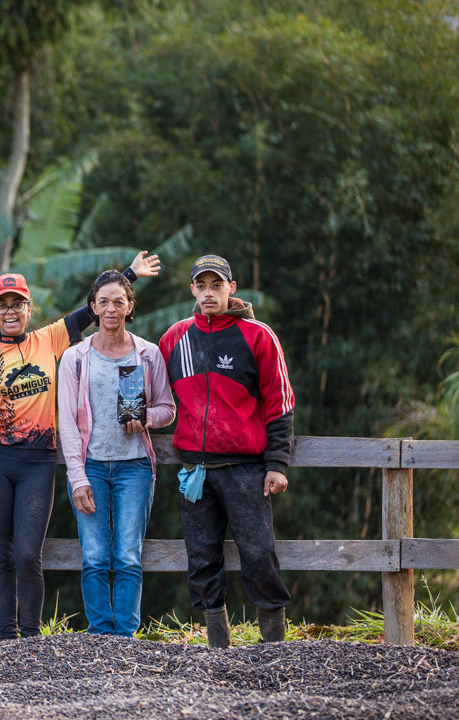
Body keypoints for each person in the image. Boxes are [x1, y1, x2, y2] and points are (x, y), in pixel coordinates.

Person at [0, 251, 160, 641]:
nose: (10, 312)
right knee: (1, 554)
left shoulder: (49, 340)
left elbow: (96, 310)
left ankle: (31, 636)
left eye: (17, 304)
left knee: (27, 555)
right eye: (2, 305)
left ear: (27, 308)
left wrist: (130, 274)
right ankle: (8, 637)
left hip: (38, 459)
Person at [158, 254, 295, 648]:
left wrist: (277, 464)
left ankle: (273, 643)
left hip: (246, 468)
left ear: (231, 289)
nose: (208, 293)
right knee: (201, 555)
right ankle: (218, 642)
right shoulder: (174, 338)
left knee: (259, 552)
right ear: (192, 291)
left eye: (216, 285)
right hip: (196, 470)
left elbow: (280, 403)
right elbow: (155, 392)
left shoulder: (257, 335)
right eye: (201, 286)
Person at [57, 270, 175, 636]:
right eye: (103, 302)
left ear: (130, 307)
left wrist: (145, 418)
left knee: (127, 557)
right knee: (94, 558)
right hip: (91, 466)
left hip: (135, 468)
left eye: (118, 302)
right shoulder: (75, 357)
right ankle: (99, 635)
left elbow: (168, 409)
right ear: (92, 308)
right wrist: (77, 478)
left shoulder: (148, 354)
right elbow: (69, 427)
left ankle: (125, 637)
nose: (111, 308)